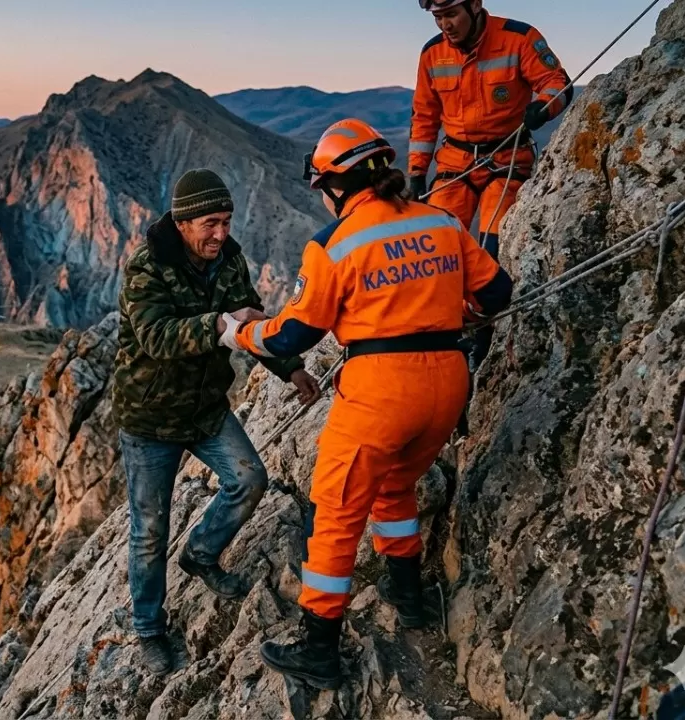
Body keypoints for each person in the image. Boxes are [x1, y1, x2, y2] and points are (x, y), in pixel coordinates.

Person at [218, 119, 513, 690]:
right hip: (448, 384)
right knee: (396, 485)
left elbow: (292, 338)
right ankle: (410, 599)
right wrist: (453, 315)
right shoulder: (442, 220)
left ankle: (319, 647)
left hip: (381, 389)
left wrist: (241, 334)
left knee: (336, 513)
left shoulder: (335, 244)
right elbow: (498, 292)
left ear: (337, 186)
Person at [114, 169, 322, 677]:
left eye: (226, 222)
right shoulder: (147, 268)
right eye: (211, 223)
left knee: (249, 479)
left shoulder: (228, 259)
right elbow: (156, 338)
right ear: (184, 223)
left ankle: (202, 554)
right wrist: (220, 327)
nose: (221, 234)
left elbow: (247, 325)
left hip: (205, 408)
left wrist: (289, 367)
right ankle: (149, 629)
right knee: (148, 531)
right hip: (150, 418)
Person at [408, 0, 570, 371]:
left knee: (489, 249)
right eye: (438, 17)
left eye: (451, 14)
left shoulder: (518, 39)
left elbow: (557, 83)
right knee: (435, 249)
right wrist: (417, 172)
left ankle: (480, 342)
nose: (445, 25)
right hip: (455, 164)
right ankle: (438, 334)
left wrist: (544, 108)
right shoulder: (433, 53)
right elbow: (425, 114)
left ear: (476, 5)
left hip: (506, 159)